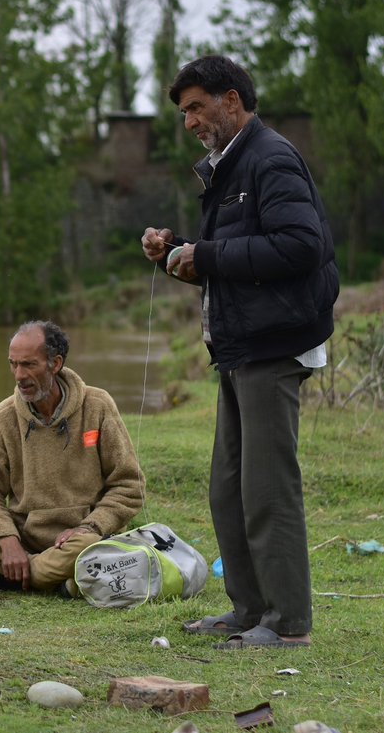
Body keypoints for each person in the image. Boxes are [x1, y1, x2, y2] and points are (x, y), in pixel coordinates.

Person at [141, 55, 338, 649]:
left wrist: (208, 256)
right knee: (228, 490)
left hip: (274, 349)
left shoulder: (270, 157)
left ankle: (289, 624)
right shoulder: (230, 167)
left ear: (232, 101)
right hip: (238, 348)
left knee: (268, 490)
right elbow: (233, 258)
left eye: (197, 107)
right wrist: (179, 251)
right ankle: (248, 611)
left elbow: (301, 246)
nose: (189, 122)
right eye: (183, 113)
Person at [0, 321, 144, 597]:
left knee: (88, 549)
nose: (19, 375)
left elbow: (129, 486)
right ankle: (52, 579)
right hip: (23, 539)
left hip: (80, 540)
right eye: (13, 364)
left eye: (29, 365)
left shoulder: (98, 406)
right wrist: (8, 542)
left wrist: (89, 526)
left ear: (54, 364)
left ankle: (8, 577)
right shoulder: (3, 419)